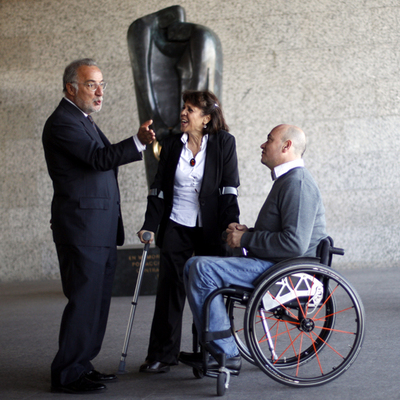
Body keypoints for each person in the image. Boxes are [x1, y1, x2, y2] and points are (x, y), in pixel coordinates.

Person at [42, 58, 155, 394]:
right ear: (70, 88)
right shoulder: (63, 122)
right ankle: (66, 374)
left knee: (96, 303)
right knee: (84, 302)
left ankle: (81, 365)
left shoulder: (83, 119)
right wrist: (136, 143)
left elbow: (99, 162)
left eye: (102, 84)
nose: (100, 91)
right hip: (82, 229)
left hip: (98, 229)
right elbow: (97, 159)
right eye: (92, 84)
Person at [179, 124, 328, 372]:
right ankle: (217, 348)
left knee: (200, 267)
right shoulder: (288, 181)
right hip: (276, 267)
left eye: (269, 139)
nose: (263, 144)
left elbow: (294, 243)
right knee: (196, 266)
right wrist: (247, 233)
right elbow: (284, 235)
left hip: (288, 274)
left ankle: (225, 352)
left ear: (286, 146)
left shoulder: (298, 183)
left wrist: (246, 241)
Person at [138, 90, 240, 373]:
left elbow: (229, 188)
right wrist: (149, 224)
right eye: (184, 108)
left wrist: (232, 222)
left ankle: (209, 353)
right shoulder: (171, 145)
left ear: (206, 118)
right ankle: (161, 354)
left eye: (190, 109)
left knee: (208, 291)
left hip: (211, 227)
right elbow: (158, 188)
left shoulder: (224, 143)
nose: (183, 113)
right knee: (170, 288)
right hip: (176, 224)